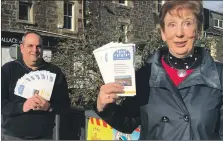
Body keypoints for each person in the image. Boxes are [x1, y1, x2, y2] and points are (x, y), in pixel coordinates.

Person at [96, 1, 223, 140]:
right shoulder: (145, 75)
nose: (179, 33)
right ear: (163, 33)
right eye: (172, 25)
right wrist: (105, 106)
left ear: (198, 30)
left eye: (187, 23)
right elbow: (127, 123)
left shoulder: (218, 76)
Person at [1, 31, 71, 140]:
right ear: (22, 48)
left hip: (44, 137)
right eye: (30, 46)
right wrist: (23, 106)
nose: (34, 50)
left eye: (38, 46)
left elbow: (65, 105)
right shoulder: (8, 70)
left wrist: (49, 107)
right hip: (12, 136)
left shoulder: (54, 72)